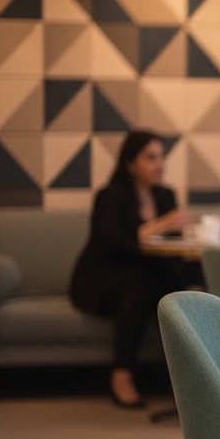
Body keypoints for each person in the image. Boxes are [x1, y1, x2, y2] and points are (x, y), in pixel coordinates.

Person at [69, 130, 193, 408]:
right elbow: (114, 242)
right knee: (143, 284)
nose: (160, 164)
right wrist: (161, 225)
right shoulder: (110, 197)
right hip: (102, 280)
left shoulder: (165, 195)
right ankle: (121, 375)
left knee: (178, 286)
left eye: (161, 157)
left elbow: (175, 245)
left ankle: (192, 382)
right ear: (130, 163)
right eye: (150, 158)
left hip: (149, 279)